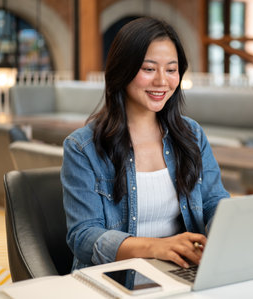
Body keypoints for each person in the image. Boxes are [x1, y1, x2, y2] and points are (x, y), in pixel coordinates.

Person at [61, 17, 230, 271]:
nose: (162, 81)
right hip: (116, 278)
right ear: (123, 70)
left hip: (184, 269)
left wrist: (226, 233)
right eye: (149, 69)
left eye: (171, 70)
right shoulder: (82, 147)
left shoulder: (192, 134)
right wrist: (156, 247)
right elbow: (83, 237)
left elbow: (214, 200)